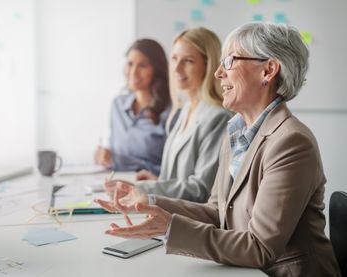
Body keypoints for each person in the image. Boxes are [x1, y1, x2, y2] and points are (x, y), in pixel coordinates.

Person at [95, 22, 342, 276]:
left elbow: (259, 247)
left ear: (268, 70)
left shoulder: (291, 142)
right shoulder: (236, 130)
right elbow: (217, 212)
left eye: (230, 61)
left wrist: (170, 227)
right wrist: (149, 201)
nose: (218, 74)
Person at [105, 27, 232, 203]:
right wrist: (158, 182)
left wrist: (140, 188)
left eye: (188, 61)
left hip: (191, 223)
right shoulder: (185, 109)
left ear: (208, 65)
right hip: (167, 213)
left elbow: (201, 190)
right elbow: (178, 178)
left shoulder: (218, 117)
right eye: (174, 59)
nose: (177, 68)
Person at [94, 39, 171, 175]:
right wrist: (106, 156)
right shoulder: (117, 105)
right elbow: (117, 152)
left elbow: (172, 170)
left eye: (142, 65)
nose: (133, 72)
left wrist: (119, 161)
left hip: (150, 188)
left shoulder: (170, 112)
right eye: (130, 64)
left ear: (157, 69)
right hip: (116, 183)